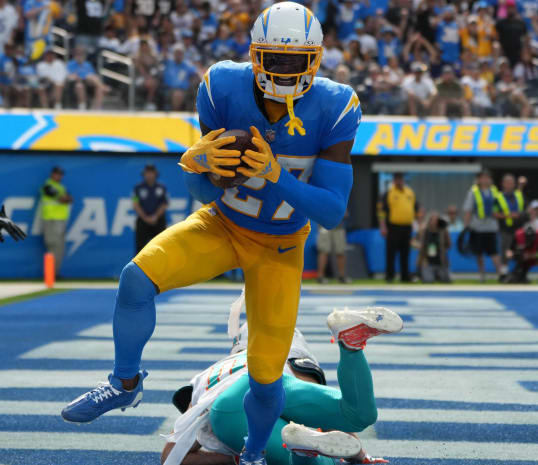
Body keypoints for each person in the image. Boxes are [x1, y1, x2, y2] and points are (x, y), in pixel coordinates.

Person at [62, 5, 361, 465]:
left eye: (293, 60)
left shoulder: (335, 104)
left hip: (281, 246)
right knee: (136, 279)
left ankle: (254, 455)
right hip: (222, 225)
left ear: (315, 60)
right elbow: (206, 190)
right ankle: (124, 382)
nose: (282, 69)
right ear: (254, 56)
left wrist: (275, 173)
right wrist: (194, 164)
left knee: (265, 376)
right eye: (272, 58)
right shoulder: (222, 85)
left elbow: (333, 212)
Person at [161, 302, 403, 465]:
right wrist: (363, 457)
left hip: (228, 405)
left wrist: (231, 458)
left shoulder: (210, 374)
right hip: (274, 383)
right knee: (359, 415)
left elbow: (170, 456)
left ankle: (301, 450)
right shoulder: (292, 362)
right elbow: (332, 428)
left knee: (306, 449)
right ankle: (350, 344)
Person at [462, 169, 502, 282]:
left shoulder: (494, 192)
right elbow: (468, 210)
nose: (485, 180)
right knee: (479, 253)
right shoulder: (473, 192)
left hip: (491, 227)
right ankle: (482, 275)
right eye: (482, 178)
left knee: (494, 251)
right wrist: (466, 226)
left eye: (487, 178)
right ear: (478, 180)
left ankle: (500, 274)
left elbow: (499, 208)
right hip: (477, 227)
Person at [377, 173, 418, 283]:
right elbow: (381, 211)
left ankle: (405, 276)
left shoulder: (409, 192)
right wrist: (383, 226)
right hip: (393, 227)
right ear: (394, 180)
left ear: (403, 180)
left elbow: (415, 209)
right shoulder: (388, 193)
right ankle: (389, 275)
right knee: (391, 252)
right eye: (397, 179)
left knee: (405, 252)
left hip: (407, 227)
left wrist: (416, 224)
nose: (399, 181)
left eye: (401, 179)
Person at [40, 166, 72, 276]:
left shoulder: (61, 187)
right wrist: (65, 198)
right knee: (53, 247)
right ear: (52, 174)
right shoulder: (47, 185)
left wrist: (66, 198)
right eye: (57, 174)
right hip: (51, 220)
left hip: (61, 220)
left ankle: (54, 273)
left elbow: (70, 199)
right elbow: (63, 199)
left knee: (59, 249)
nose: (59, 176)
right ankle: (50, 274)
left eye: (60, 174)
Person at [494, 174, 526, 279]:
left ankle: (520, 273)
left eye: (512, 183)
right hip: (505, 229)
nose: (510, 185)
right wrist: (508, 215)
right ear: (503, 184)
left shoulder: (517, 195)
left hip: (518, 229)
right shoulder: (498, 197)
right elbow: (494, 213)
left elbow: (522, 208)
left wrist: (521, 185)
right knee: (505, 252)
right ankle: (503, 274)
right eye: (507, 182)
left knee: (520, 251)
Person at [133, 164, 168, 254]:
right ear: (144, 174)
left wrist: (155, 216)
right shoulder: (138, 188)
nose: (149, 175)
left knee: (161, 245)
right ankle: (138, 267)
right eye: (147, 173)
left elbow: (164, 204)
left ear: (155, 174)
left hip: (158, 220)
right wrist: (145, 218)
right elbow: (135, 204)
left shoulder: (161, 187)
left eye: (151, 173)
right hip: (143, 220)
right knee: (140, 248)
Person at [417, 212, 451, 283]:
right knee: (428, 280)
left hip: (440, 262)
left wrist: (443, 251)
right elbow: (418, 244)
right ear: (429, 221)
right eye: (433, 220)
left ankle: (438, 275)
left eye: (436, 220)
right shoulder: (425, 231)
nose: (434, 222)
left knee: (446, 280)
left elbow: (449, 244)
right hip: (428, 262)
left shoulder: (443, 231)